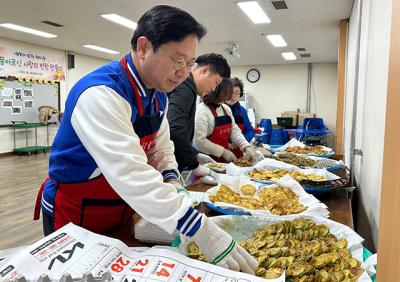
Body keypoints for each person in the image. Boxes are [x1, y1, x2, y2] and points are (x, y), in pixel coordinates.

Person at [33, 5, 257, 274]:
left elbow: (161, 150)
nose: (184, 72)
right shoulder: (101, 93)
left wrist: (173, 181)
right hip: (77, 212)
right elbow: (131, 172)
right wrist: (198, 226)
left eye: (189, 64)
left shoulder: (158, 94)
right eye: (177, 61)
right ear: (143, 47)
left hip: (122, 206)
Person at [167, 53, 230, 181]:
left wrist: (195, 154)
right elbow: (175, 127)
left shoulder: (190, 89)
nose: (214, 89)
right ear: (205, 71)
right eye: (216, 83)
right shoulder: (185, 87)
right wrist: (194, 163)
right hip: (166, 163)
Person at [193, 78, 258, 163]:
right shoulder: (201, 110)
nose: (230, 95)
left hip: (226, 162)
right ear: (216, 91)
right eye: (227, 92)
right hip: (208, 163)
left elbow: (235, 132)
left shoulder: (226, 108)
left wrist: (246, 147)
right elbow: (199, 142)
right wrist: (223, 152)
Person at [224, 77, 255, 158]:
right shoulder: (217, 109)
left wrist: (240, 142)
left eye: (237, 93)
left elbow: (250, 130)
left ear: (240, 95)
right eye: (230, 92)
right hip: (218, 154)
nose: (232, 96)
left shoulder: (242, 111)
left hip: (238, 155)